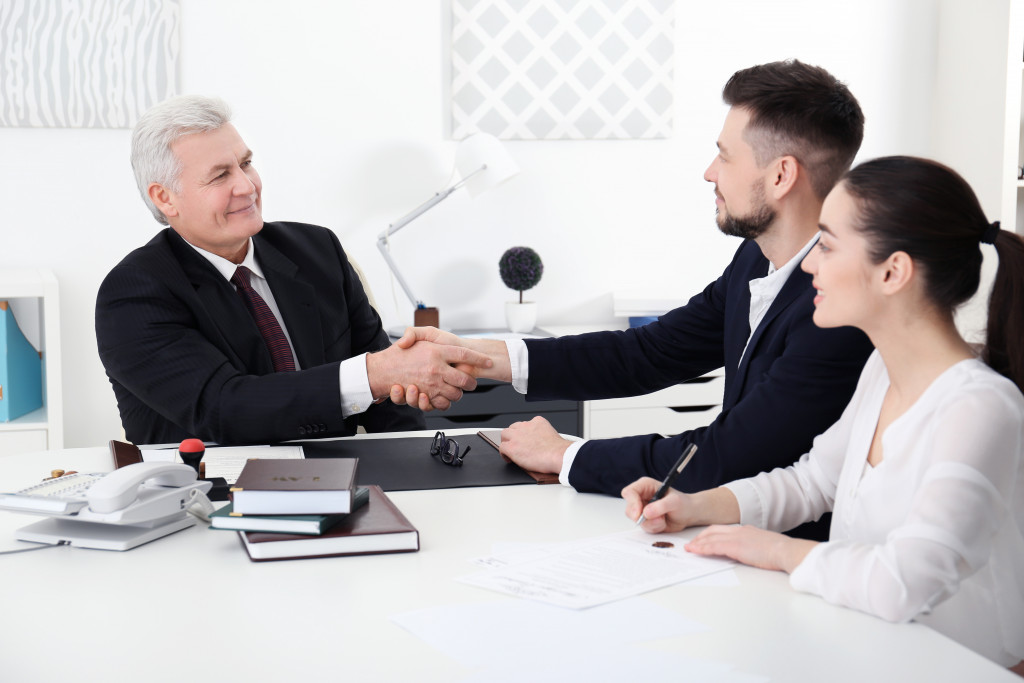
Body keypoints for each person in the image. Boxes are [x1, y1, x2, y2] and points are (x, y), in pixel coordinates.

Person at [394, 61, 874, 537]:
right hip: (732, 540)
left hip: (797, 564)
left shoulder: (837, 310)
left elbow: (730, 456)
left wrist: (566, 455)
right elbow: (647, 352)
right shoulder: (755, 259)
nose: (709, 173)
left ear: (781, 176)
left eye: (725, 157)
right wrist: (475, 357)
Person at [623, 156, 1024, 673]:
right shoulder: (883, 368)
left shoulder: (980, 408)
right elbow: (814, 481)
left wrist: (777, 551)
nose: (809, 263)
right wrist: (699, 505)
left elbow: (906, 581)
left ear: (892, 271)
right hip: (874, 651)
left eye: (827, 246)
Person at [96, 95, 491, 445]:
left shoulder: (317, 251)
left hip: (342, 479)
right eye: (221, 175)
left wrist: (422, 461)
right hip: (212, 498)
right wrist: (373, 375)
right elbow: (225, 408)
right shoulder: (134, 293)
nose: (247, 186)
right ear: (165, 197)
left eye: (246, 164)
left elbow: (391, 400)